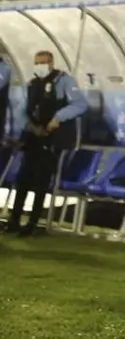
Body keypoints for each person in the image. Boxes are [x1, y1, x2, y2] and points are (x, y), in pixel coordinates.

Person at [6, 51, 87, 236]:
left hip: (53, 137)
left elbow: (79, 105)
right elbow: (21, 109)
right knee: (23, 178)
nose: (39, 66)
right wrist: (30, 126)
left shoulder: (64, 81)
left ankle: (33, 223)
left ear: (51, 63)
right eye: (36, 63)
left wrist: (58, 118)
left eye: (43, 62)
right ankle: (14, 220)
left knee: (42, 179)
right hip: (34, 135)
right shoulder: (33, 84)